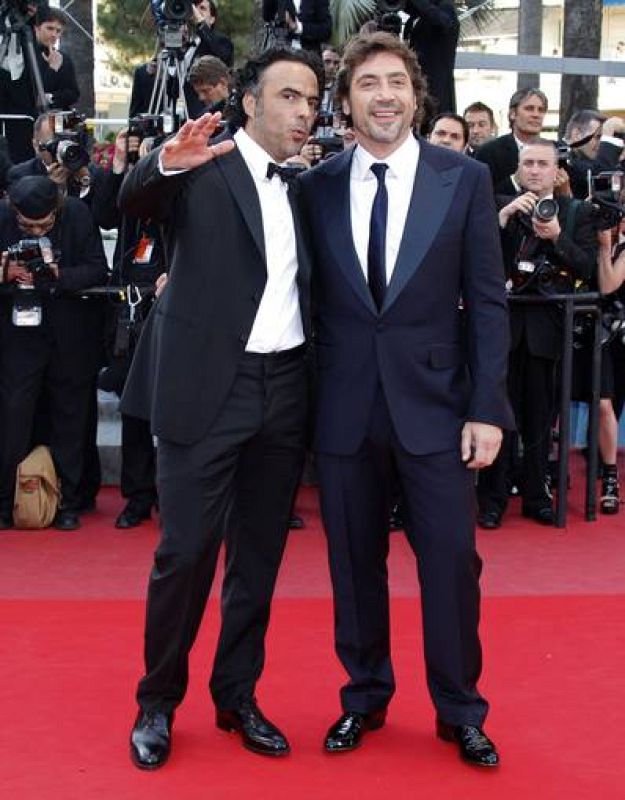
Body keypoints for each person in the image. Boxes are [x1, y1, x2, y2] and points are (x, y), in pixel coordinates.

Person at [298, 32, 513, 767]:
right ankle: (363, 696)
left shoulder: (465, 179)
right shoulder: (316, 187)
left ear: (417, 95)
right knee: (353, 565)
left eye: (396, 81)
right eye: (367, 84)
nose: (383, 96)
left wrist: (486, 408)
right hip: (344, 406)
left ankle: (460, 709)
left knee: (451, 563)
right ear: (346, 101)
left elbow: (487, 303)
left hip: (440, 408)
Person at [119, 47, 322, 770]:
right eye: (289, 96)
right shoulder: (202, 168)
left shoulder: (310, 187)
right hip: (207, 385)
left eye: (311, 99)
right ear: (250, 102)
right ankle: (156, 701)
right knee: (185, 554)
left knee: (258, 557)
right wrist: (162, 164)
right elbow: (133, 202)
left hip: (286, 388)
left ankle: (237, 696)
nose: (303, 112)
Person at [476, 140, 597, 529]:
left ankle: (536, 496)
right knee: (498, 415)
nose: (534, 170)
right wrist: (502, 220)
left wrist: (557, 236)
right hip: (501, 330)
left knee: (541, 418)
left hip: (548, 330)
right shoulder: (497, 205)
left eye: (542, 163)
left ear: (556, 170)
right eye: (527, 162)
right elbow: (477, 261)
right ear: (518, 167)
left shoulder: (576, 212)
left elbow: (588, 269)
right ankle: (492, 499)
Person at [0, 176, 108, 530]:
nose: (34, 231)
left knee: (70, 417)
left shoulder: (77, 214)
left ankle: (67, 501)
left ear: (56, 210)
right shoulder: (2, 217)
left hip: (69, 333)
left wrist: (57, 274)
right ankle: (7, 500)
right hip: (18, 335)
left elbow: (97, 269)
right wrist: (5, 271)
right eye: (26, 226)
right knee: (13, 414)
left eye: (43, 225)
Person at [0, 6, 79, 164]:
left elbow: (73, 93)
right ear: (36, 28)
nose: (54, 34)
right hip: (27, 126)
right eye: (49, 28)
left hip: (57, 124)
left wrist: (52, 97)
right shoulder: (23, 56)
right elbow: (32, 93)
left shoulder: (64, 59)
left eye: (58, 31)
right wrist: (52, 69)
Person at [475, 87, 548, 195]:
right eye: (529, 109)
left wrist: (565, 189)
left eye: (541, 110)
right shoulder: (489, 152)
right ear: (513, 114)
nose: (536, 115)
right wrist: (515, 181)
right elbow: (482, 196)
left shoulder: (554, 150)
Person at [403, 0, 459, 113]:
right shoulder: (412, 20)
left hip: (436, 88)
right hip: (416, 85)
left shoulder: (445, 9)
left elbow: (443, 22)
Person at [261, 0, 332, 56]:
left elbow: (326, 30)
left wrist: (299, 28)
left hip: (308, 56)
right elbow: (267, 16)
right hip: (280, 53)